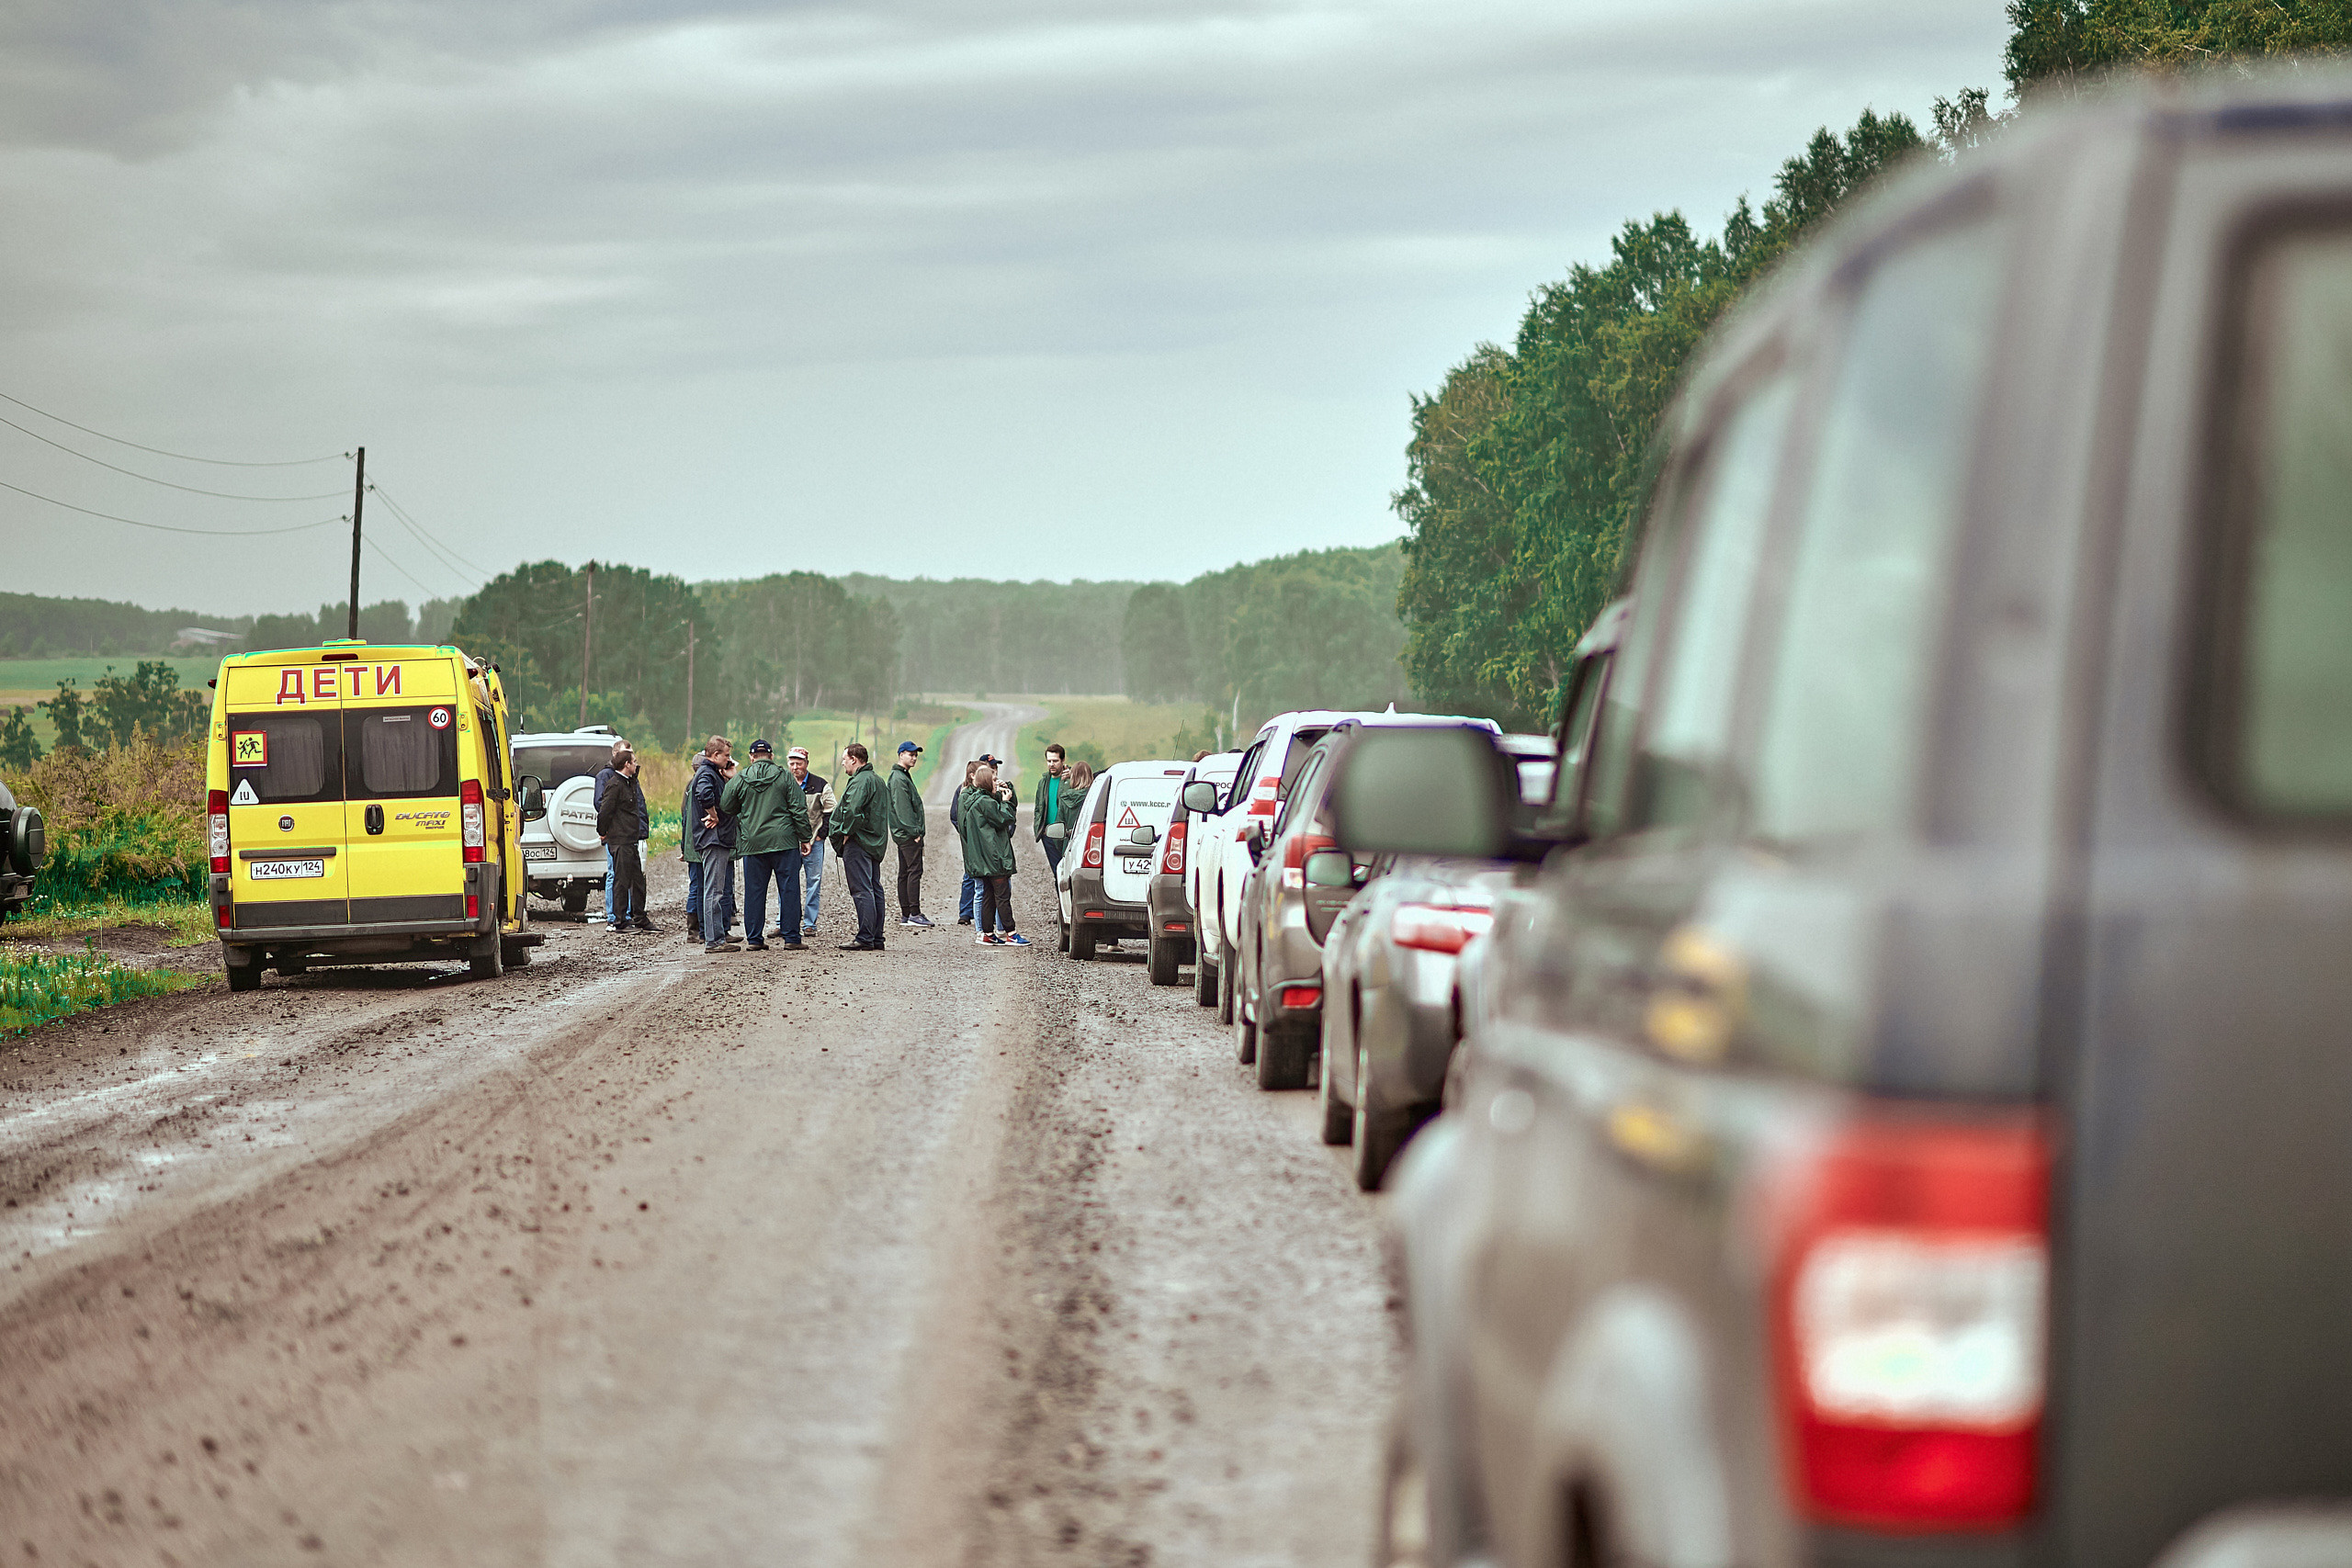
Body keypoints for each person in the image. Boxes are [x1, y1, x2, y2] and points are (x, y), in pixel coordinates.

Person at [722, 737, 809, 953]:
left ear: (752, 757)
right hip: (784, 841)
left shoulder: (741, 778)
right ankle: (791, 938)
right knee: (789, 890)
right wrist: (805, 837)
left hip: (753, 844)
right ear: (771, 756)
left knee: (754, 891)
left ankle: (754, 939)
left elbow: (726, 804)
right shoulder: (785, 777)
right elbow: (798, 809)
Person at [958, 761, 1027, 946]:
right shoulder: (986, 802)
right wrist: (1006, 803)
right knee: (1003, 896)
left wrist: (1006, 793)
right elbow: (1004, 818)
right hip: (994, 857)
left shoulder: (974, 800)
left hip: (982, 858)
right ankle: (1011, 933)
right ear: (986, 782)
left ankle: (987, 933)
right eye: (994, 779)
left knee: (988, 896)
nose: (997, 781)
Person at [829, 742, 888, 951]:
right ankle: (877, 937)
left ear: (854, 759)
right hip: (874, 843)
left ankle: (865, 938)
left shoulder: (860, 781)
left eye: (844, 759)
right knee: (874, 888)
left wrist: (845, 833)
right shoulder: (879, 781)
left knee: (862, 890)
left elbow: (853, 811)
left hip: (859, 842)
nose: (843, 764)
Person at [690, 735, 741, 953]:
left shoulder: (714, 773)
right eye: (727, 755)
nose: (729, 759)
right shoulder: (707, 773)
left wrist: (730, 777)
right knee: (714, 891)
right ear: (715, 755)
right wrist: (714, 815)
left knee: (716, 890)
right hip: (714, 838)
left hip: (716, 838)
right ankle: (713, 941)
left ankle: (717, 936)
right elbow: (704, 794)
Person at [597, 750, 653, 933]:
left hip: (630, 839)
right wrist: (603, 832)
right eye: (634, 762)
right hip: (619, 840)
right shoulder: (615, 785)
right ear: (627, 764)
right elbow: (605, 811)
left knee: (637, 880)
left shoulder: (629, 783)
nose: (636, 765)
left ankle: (639, 917)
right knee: (621, 880)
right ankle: (619, 921)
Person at [785, 747, 833, 940]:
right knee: (787, 883)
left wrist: (822, 834)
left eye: (799, 763)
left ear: (807, 764)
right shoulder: (784, 783)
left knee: (813, 882)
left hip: (814, 842)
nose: (795, 767)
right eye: (792, 764)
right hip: (789, 843)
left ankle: (809, 924)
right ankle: (785, 922)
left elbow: (831, 809)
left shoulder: (820, 784)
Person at [888, 740, 932, 930]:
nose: (914, 758)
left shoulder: (902, 776)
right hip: (907, 834)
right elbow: (903, 809)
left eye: (915, 755)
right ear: (901, 754)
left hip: (903, 833)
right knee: (913, 871)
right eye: (910, 754)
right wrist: (914, 832)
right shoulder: (898, 778)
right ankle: (914, 913)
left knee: (905, 872)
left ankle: (907, 914)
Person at [593, 737, 630, 921]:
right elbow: (601, 804)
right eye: (626, 754)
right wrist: (608, 827)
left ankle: (626, 912)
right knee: (614, 872)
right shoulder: (605, 776)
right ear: (616, 755)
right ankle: (614, 914)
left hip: (628, 833)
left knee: (626, 873)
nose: (630, 759)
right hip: (616, 833)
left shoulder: (629, 778)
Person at [1033, 743, 1082, 874]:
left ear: (1063, 760)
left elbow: (1079, 799)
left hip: (1067, 835)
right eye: (1049, 761)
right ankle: (1059, 896)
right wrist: (1040, 830)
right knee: (1057, 874)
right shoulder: (1043, 782)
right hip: (1048, 835)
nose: (1051, 764)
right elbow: (1038, 807)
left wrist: (1071, 779)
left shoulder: (1072, 779)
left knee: (1071, 872)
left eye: (1055, 761)